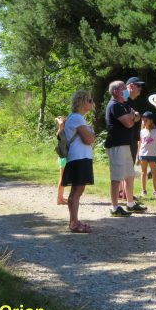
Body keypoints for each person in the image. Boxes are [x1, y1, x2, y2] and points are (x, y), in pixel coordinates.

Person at [105, 80, 147, 216]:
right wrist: (133, 117)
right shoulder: (114, 105)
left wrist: (133, 117)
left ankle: (130, 203)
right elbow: (129, 123)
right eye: (123, 88)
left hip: (125, 144)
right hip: (116, 144)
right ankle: (114, 207)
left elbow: (137, 116)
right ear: (116, 91)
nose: (126, 90)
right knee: (116, 177)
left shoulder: (123, 104)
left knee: (129, 175)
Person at [62, 90, 95, 233]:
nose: (92, 103)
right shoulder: (77, 118)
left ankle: (74, 221)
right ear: (82, 102)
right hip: (79, 157)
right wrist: (92, 134)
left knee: (77, 190)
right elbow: (88, 139)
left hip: (78, 157)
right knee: (77, 190)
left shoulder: (75, 118)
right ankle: (74, 223)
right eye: (89, 100)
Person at [119, 76, 146, 201]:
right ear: (131, 86)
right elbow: (128, 118)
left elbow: (134, 116)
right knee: (127, 169)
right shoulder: (123, 99)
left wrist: (136, 116)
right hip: (126, 139)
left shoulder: (128, 100)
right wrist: (135, 117)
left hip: (130, 139)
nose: (140, 90)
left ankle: (125, 193)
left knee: (127, 169)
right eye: (138, 86)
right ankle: (125, 195)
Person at [136, 111, 156, 196]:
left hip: (153, 155)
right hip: (143, 154)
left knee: (154, 172)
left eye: (146, 120)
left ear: (151, 121)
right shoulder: (141, 132)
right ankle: (143, 190)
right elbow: (139, 145)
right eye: (143, 120)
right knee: (143, 172)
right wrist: (137, 156)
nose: (143, 121)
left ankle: (155, 190)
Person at [55, 116, 68, 205]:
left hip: (63, 158)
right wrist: (57, 119)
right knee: (62, 179)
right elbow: (61, 123)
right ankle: (59, 199)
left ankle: (61, 197)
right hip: (63, 158)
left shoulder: (63, 133)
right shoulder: (60, 132)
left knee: (63, 178)